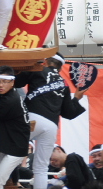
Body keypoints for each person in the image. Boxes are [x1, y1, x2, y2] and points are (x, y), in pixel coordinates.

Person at [14, 53, 87, 189]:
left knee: (10, 149)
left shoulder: (38, 70)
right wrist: (76, 98)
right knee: (41, 168)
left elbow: (17, 82)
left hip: (33, 118)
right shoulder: (64, 84)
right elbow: (68, 113)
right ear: (60, 68)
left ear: (46, 61)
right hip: (51, 126)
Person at [0, 66, 30, 189]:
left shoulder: (10, 100)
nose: (0, 85)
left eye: (5, 81)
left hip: (16, 148)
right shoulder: (7, 96)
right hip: (5, 143)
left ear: (12, 82)